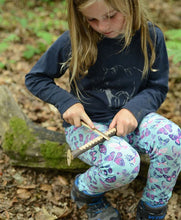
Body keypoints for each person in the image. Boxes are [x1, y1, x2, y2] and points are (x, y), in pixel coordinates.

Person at [25, 0, 181, 219]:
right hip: (88, 125)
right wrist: (67, 103)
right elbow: (36, 78)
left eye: (110, 16)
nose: (103, 26)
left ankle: (152, 209)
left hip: (133, 121)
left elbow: (157, 87)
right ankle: (86, 193)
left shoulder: (151, 36)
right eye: (92, 19)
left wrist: (133, 110)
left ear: (130, 5)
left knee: (173, 139)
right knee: (124, 164)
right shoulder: (76, 38)